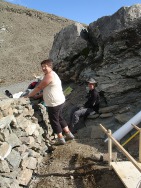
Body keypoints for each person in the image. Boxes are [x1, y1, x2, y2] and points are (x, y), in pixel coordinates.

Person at [24, 59, 74, 145]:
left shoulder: (49, 76)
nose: (43, 68)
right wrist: (39, 96)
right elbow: (49, 89)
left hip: (54, 103)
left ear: (50, 66)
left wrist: (29, 95)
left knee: (54, 120)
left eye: (45, 66)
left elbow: (39, 87)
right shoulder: (53, 74)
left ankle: (60, 138)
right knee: (59, 117)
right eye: (42, 67)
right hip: (60, 100)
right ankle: (69, 134)